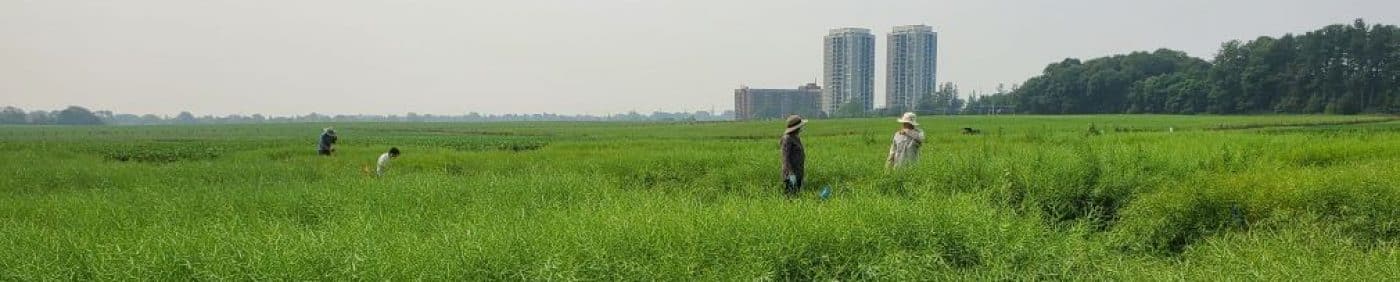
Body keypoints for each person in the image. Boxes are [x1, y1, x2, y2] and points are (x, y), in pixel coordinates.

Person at [780, 115, 807, 197]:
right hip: (791, 175)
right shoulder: (787, 139)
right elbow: (785, 158)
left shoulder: (796, 137)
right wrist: (791, 174)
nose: (801, 128)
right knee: (790, 197)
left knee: (797, 196)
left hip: (798, 172)